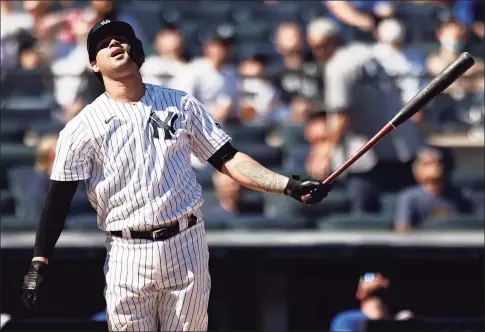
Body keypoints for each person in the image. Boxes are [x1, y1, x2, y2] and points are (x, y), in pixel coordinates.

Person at [20, 20, 333, 332]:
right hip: (127, 251)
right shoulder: (81, 127)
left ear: (137, 51)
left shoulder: (179, 103)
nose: (114, 44)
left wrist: (288, 186)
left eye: (121, 39)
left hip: (185, 243)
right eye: (103, 44)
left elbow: (228, 159)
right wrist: (39, 262)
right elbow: (58, 199)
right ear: (94, 65)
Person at [310, 17, 424, 213]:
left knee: (366, 226)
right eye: (314, 47)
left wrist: (325, 152)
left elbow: (342, 115)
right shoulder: (368, 55)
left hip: (365, 159)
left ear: (335, 40)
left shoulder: (338, 65)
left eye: (321, 46)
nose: (317, 52)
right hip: (401, 150)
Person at [394, 147, 474, 232]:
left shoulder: (462, 195)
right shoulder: (409, 198)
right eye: (428, 164)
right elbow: (402, 230)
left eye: (439, 163)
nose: (436, 166)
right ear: (417, 173)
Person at [171, 34, 240, 124]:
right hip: (191, 128)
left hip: (222, 129)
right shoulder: (192, 70)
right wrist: (209, 113)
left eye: (226, 46)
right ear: (208, 47)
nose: (222, 50)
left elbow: (235, 111)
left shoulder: (231, 74)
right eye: (217, 45)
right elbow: (179, 104)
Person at [330, 273, 413, 332]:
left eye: (380, 275)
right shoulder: (345, 319)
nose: (377, 277)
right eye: (369, 276)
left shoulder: (400, 321)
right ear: (359, 293)